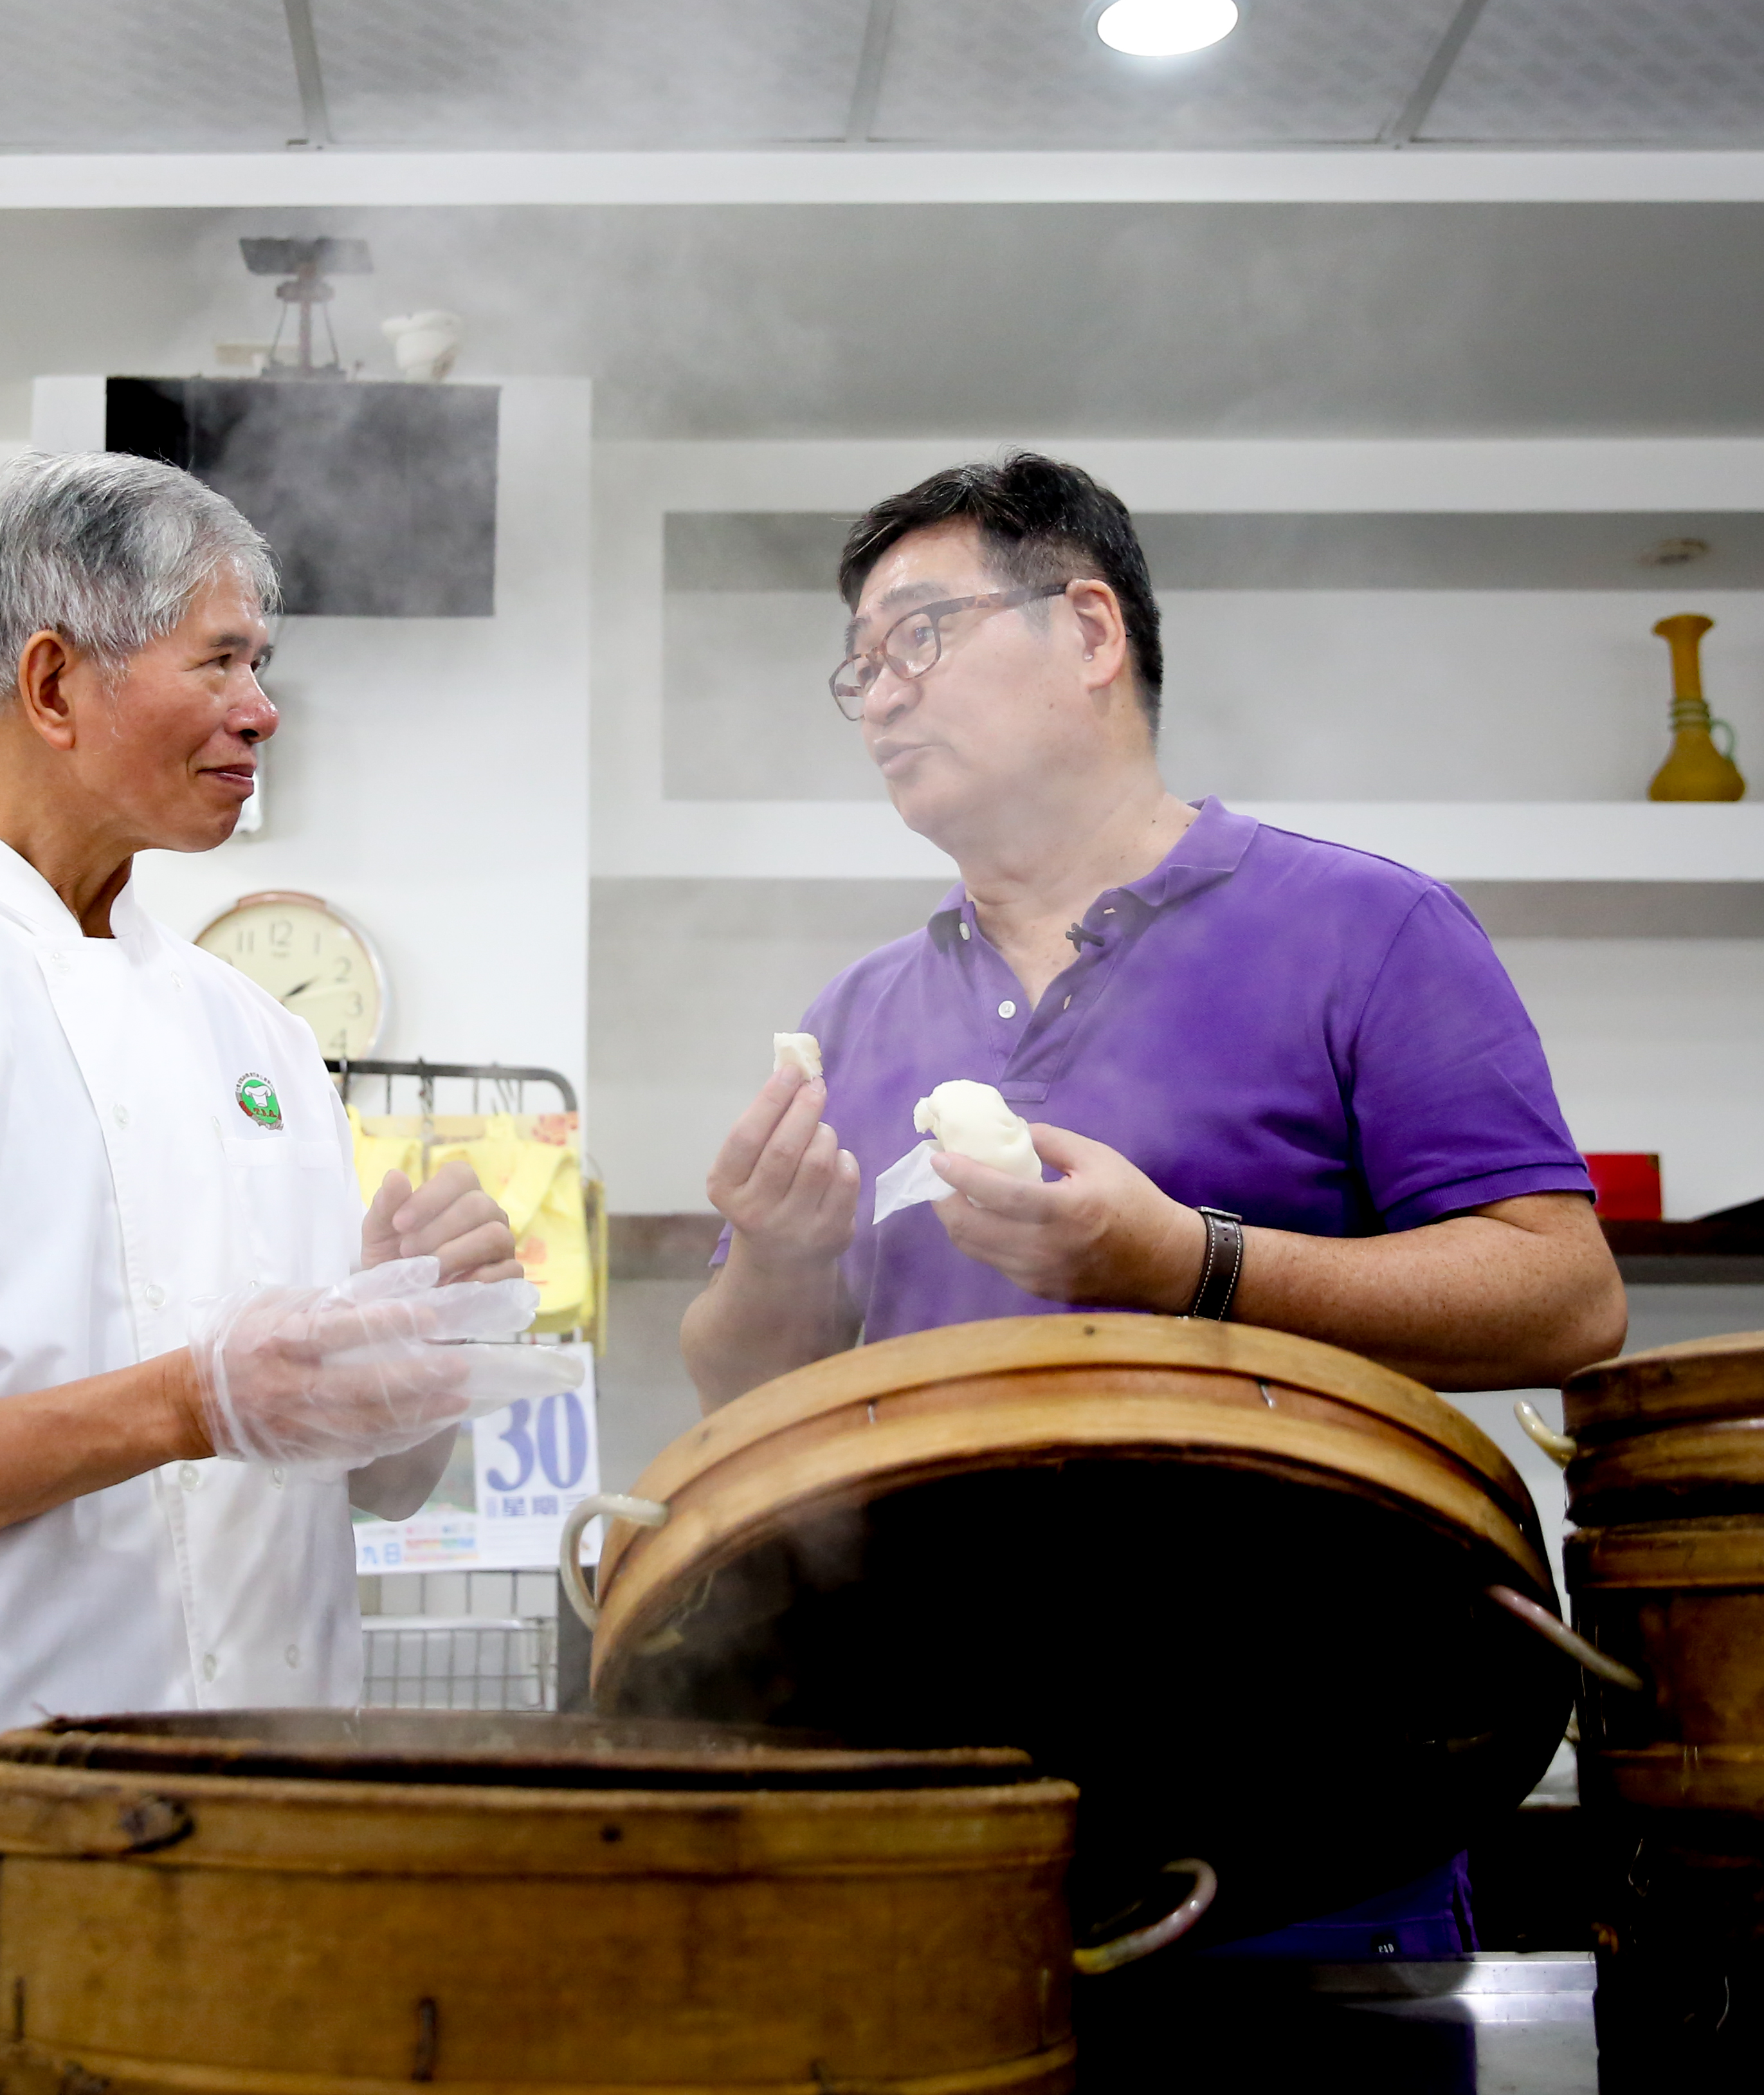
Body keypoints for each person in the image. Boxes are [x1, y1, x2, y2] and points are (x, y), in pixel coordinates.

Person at [678, 452, 1623, 1959]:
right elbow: (744, 1388)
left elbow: (1564, 1298)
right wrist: (777, 1262)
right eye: (855, 664)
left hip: (1308, 1785)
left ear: (1090, 631)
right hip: (927, 1788)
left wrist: (1187, 1262)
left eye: (917, 634)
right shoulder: (858, 1011)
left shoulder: (1363, 928)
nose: (876, 693)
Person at [0, 451, 570, 1949]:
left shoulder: (260, 1038)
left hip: (274, 1835)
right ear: (51, 684)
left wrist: (398, 1360)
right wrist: (183, 1401)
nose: (263, 707)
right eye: (220, 659)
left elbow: (363, 1485)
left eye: (261, 663)